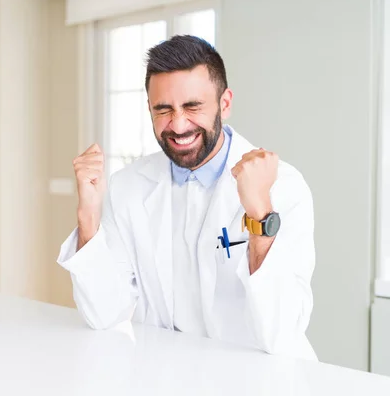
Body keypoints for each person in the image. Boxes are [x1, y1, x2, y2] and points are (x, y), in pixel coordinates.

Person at [57, 35, 316, 360]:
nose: (178, 124)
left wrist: (260, 213)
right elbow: (103, 314)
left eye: (193, 106)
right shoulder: (128, 186)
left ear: (225, 103)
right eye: (163, 109)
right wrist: (88, 217)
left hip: (260, 380)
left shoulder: (284, 186)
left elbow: (282, 332)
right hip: (169, 376)